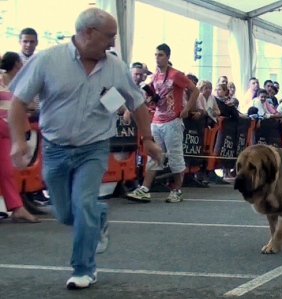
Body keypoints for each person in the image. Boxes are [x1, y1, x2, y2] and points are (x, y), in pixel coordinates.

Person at [8, 8, 162, 289]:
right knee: (66, 213)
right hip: (55, 148)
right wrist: (18, 140)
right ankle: (99, 215)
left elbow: (137, 102)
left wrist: (148, 139)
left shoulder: (115, 66)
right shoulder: (48, 60)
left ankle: (83, 269)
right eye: (110, 37)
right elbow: (18, 101)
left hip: (93, 148)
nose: (113, 43)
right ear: (88, 33)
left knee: (83, 204)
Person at [126, 43, 199, 203]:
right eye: (155, 55)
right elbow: (151, 98)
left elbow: (195, 90)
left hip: (173, 121)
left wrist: (187, 108)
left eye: (160, 55)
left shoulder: (175, 75)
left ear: (167, 57)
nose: (157, 58)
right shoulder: (154, 77)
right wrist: (149, 100)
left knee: (174, 157)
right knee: (154, 155)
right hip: (157, 120)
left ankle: (177, 190)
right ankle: (145, 188)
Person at [0, 52, 39, 223]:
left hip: (7, 132)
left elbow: (28, 104)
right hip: (4, 129)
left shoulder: (18, 84)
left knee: (7, 171)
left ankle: (17, 207)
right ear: (17, 64)